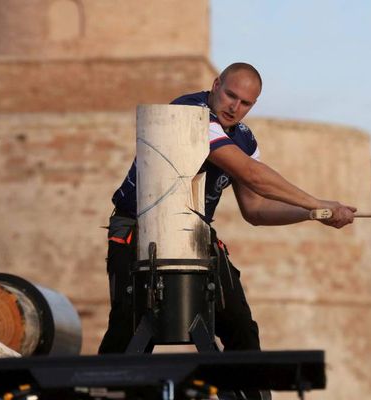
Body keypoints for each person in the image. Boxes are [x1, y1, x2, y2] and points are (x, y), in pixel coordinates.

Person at [98, 63, 356, 397]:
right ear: (216, 84)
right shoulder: (191, 114)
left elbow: (257, 209)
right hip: (138, 227)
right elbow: (253, 175)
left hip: (193, 232)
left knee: (240, 326)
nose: (235, 106)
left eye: (245, 102)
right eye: (230, 95)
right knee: (129, 332)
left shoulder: (244, 137)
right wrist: (313, 200)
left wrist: (315, 213)